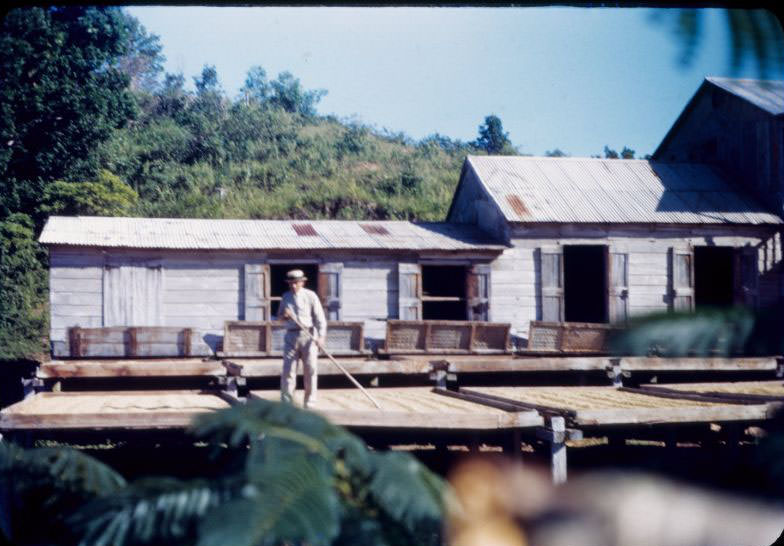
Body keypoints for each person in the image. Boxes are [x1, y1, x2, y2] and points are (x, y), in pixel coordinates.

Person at [278, 269, 327, 408]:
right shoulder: (286, 297)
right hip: (291, 336)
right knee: (288, 371)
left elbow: (320, 318)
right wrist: (285, 316)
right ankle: (286, 404)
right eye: (291, 283)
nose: (293, 286)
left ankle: (310, 404)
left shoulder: (311, 296)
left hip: (308, 336)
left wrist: (321, 337)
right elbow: (279, 318)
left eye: (296, 283)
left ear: (302, 282)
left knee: (310, 370)